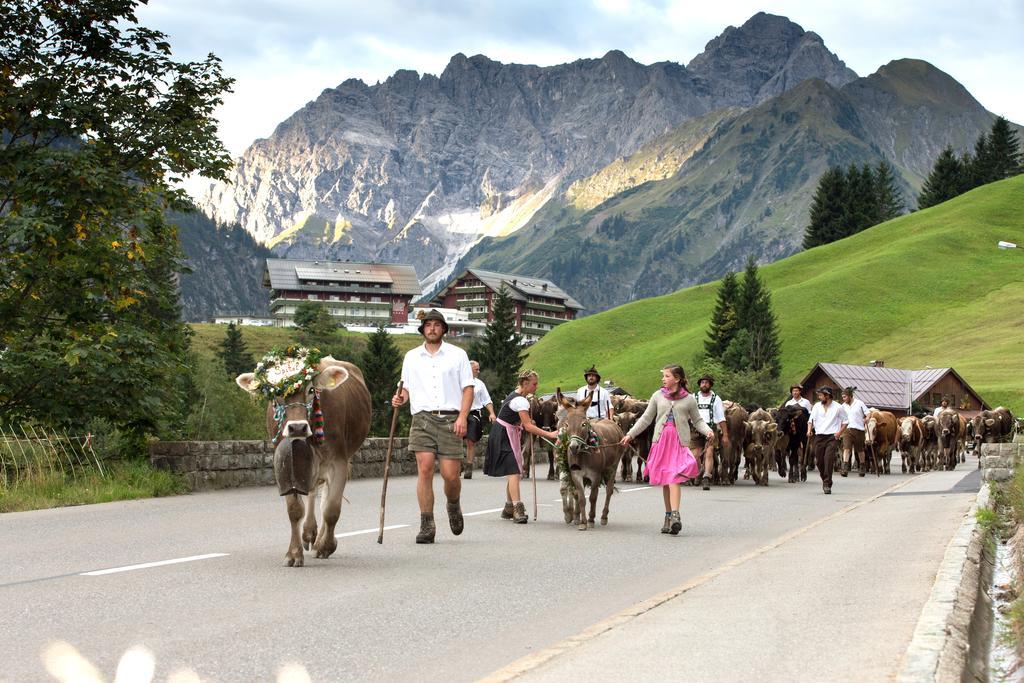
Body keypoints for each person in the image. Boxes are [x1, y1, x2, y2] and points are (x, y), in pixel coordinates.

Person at [391, 309, 474, 544]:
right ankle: (427, 523)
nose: (432, 328)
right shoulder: (411, 357)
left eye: (437, 325)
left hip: (451, 419)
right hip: (423, 419)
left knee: (450, 476)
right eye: (428, 325)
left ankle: (453, 504)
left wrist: (463, 417)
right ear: (423, 329)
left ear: (444, 329)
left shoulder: (458, 355)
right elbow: (405, 387)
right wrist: (400, 398)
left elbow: (468, 388)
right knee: (425, 469)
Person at [620, 365, 712, 535]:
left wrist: (708, 431)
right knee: (666, 479)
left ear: (677, 379)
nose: (663, 379)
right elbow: (646, 419)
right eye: (663, 376)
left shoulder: (689, 399)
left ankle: (675, 516)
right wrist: (630, 435)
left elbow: (698, 421)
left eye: (666, 376)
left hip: (678, 442)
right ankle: (668, 516)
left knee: (673, 477)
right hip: (661, 441)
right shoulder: (657, 395)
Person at [483, 370, 559, 524]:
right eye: (534, 384)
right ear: (525, 383)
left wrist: (525, 424)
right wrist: (550, 435)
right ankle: (517, 509)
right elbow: (528, 426)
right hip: (504, 435)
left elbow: (523, 422)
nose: (536, 387)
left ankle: (509, 508)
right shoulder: (521, 401)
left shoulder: (517, 396)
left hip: (504, 432)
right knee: (513, 470)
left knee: (514, 472)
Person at [806, 386, 847, 494]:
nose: (819, 397)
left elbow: (846, 421)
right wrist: (809, 430)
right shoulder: (816, 406)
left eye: (821, 395)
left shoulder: (838, 407)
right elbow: (811, 420)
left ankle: (827, 484)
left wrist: (838, 433)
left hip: (831, 437)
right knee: (819, 461)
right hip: (819, 436)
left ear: (827, 396)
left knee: (828, 459)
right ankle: (825, 478)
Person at [692, 373, 729, 490]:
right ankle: (699, 472)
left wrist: (725, 435)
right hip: (695, 429)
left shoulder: (716, 399)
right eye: (702, 382)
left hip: (711, 429)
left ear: (710, 385)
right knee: (695, 455)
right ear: (699, 384)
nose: (704, 384)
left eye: (707, 382)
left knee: (709, 452)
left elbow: (721, 418)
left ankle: (706, 477)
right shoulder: (693, 397)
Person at [462, 360, 496, 480]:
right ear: (469, 369)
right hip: (459, 413)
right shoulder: (458, 381)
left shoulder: (480, 384)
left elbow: (486, 400)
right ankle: (457, 465)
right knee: (455, 440)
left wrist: (491, 413)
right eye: (476, 369)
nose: (479, 371)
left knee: (471, 441)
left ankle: (469, 468)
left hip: (474, 414)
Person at [840, 386, 870, 477]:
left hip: (859, 429)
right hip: (847, 430)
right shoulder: (842, 406)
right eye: (843, 397)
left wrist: (866, 419)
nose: (844, 399)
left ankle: (862, 466)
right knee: (846, 448)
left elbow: (868, 413)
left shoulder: (859, 403)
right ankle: (845, 467)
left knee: (860, 450)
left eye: (845, 397)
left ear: (850, 396)